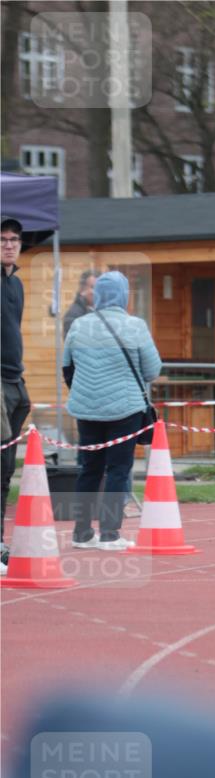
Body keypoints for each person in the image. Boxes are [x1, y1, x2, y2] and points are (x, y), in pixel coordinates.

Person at [63, 271, 161, 550]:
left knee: (88, 469)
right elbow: (152, 370)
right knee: (118, 469)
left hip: (85, 410)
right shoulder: (135, 326)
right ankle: (110, 534)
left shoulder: (79, 325)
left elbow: (67, 366)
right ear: (124, 295)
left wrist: (84, 392)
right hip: (125, 409)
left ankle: (81, 533)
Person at [1, 218, 31, 575]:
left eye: (14, 240)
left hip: (14, 381)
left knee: (7, 468)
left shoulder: (17, 285)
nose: (9, 245)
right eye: (2, 239)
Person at [63, 269, 100, 335]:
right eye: (92, 287)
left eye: (99, 287)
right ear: (83, 289)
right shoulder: (73, 314)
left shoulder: (105, 311)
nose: (96, 291)